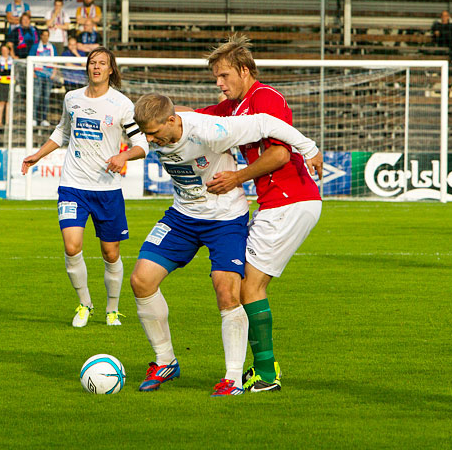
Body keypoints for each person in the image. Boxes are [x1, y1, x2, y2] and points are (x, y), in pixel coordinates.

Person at [130, 93, 321, 396]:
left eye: (154, 133)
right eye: (146, 134)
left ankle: (232, 378)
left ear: (172, 120)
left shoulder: (209, 130)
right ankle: (165, 361)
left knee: (227, 290)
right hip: (182, 216)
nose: (150, 139)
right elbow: (137, 139)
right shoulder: (151, 131)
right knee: (141, 280)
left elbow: (264, 122)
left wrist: (308, 147)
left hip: (225, 219)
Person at [194, 34, 323, 392]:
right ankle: (263, 367)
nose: (219, 85)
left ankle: (266, 373)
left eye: (224, 77)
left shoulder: (265, 98)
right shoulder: (233, 107)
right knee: (245, 283)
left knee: (249, 285)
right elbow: (196, 120)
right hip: (278, 203)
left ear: (244, 70)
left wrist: (236, 177)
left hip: (290, 200)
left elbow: (281, 154)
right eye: (216, 79)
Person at [21, 48, 148, 328]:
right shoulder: (72, 98)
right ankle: (84, 304)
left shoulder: (122, 104)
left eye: (102, 63)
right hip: (73, 185)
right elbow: (62, 131)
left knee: (110, 253)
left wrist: (123, 156)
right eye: (92, 63)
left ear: (111, 69)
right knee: (71, 245)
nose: (97, 68)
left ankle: (112, 310)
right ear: (87, 68)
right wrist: (38, 155)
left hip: (107, 189)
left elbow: (143, 145)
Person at [33, 29, 55, 126]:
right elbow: (31, 59)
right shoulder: (35, 47)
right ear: (41, 36)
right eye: (44, 35)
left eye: (47, 35)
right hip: (38, 75)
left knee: (46, 98)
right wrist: (32, 72)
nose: (45, 37)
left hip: (48, 76)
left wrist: (53, 73)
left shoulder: (52, 47)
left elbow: (56, 61)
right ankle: (34, 118)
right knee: (36, 97)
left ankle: (44, 119)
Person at [0, 42, 13, 127]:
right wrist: (6, 73)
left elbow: (11, 72)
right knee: (1, 102)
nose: (4, 52)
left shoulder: (12, 60)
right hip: (1, 83)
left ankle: (8, 122)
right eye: (3, 50)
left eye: (6, 50)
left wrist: (5, 72)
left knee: (9, 102)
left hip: (10, 83)